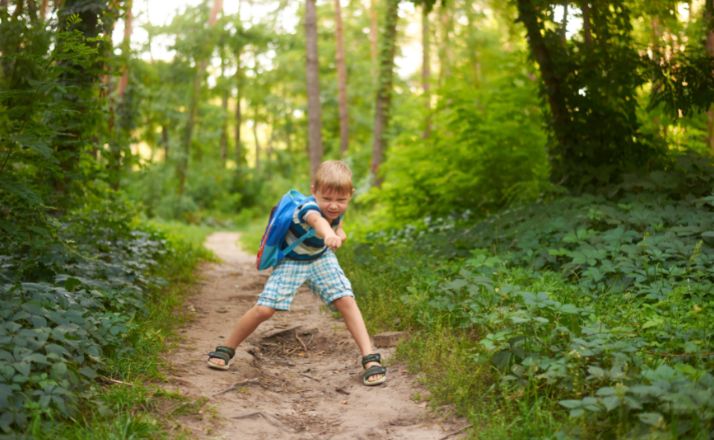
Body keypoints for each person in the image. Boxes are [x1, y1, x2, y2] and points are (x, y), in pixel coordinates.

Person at [207, 160, 386, 386]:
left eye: (341, 200)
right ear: (314, 191)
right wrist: (328, 235)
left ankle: (370, 359)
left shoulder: (337, 209)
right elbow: (318, 221)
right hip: (293, 262)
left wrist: (339, 232)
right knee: (264, 309)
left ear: (350, 195)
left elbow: (336, 222)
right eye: (327, 199)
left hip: (321, 258)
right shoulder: (308, 208)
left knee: (346, 300)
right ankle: (226, 349)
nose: (333, 205)